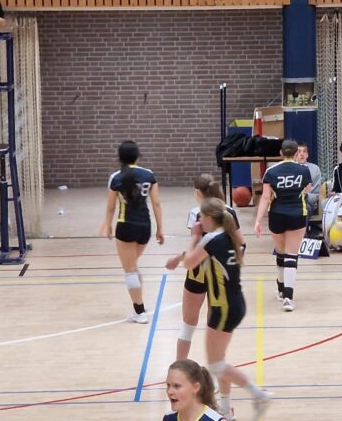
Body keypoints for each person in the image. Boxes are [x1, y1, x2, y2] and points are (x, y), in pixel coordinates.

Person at [181, 198, 271, 420]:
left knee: (216, 364)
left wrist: (195, 237)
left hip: (223, 307)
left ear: (210, 218)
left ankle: (258, 394)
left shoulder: (211, 239)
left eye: (202, 217)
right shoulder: (231, 236)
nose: (199, 222)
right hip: (235, 303)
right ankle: (226, 409)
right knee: (219, 360)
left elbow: (189, 263)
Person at [166, 174, 244, 365]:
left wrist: (180, 257)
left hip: (199, 270)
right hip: (220, 274)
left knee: (188, 325)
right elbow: (241, 243)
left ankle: (179, 370)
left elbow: (198, 249)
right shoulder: (228, 212)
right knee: (214, 326)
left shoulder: (197, 213)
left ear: (197, 192)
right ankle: (216, 369)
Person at [97, 141, 164, 324]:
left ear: (120, 157)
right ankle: (139, 304)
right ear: (137, 155)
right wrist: (160, 228)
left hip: (125, 226)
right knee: (133, 266)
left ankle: (139, 312)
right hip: (145, 227)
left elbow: (111, 207)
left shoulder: (115, 177)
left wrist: (108, 225)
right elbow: (156, 203)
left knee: (130, 270)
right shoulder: (149, 174)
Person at [254, 139, 312, 311]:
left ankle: (281, 289)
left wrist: (258, 220)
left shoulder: (271, 171)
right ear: (296, 153)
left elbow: (265, 197)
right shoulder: (304, 170)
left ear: (281, 153)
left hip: (276, 215)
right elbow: (307, 190)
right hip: (297, 214)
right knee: (291, 255)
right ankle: (288, 297)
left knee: (281, 252)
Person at [295, 141, 323, 216]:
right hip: (292, 203)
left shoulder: (315, 169)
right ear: (295, 154)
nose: (302, 154)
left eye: (304, 151)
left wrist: (305, 195)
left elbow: (316, 195)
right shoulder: (290, 168)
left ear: (307, 155)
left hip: (308, 204)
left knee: (303, 209)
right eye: (299, 151)